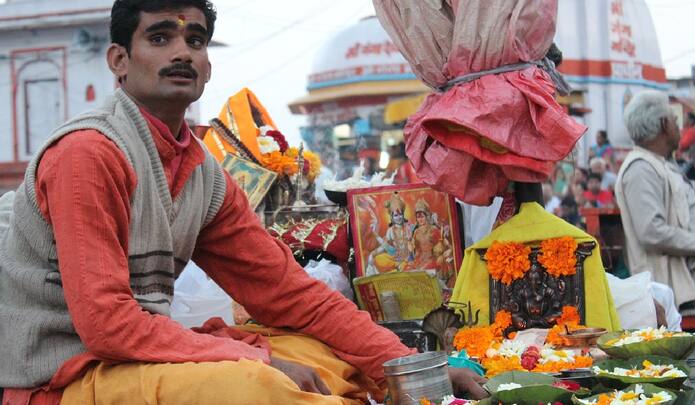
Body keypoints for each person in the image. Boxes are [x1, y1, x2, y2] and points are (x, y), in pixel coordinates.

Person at [0, 1, 487, 404]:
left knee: (330, 357)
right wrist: (257, 360)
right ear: (118, 60)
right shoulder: (89, 154)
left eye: (195, 40)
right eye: (159, 38)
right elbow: (107, 327)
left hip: (137, 359)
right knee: (257, 385)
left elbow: (289, 294)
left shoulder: (203, 176)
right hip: (66, 377)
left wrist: (412, 368)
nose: (182, 54)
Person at [615, 90, 695, 307]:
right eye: (674, 119)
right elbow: (652, 233)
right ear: (664, 125)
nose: (678, 125)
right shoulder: (640, 169)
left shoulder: (660, 163)